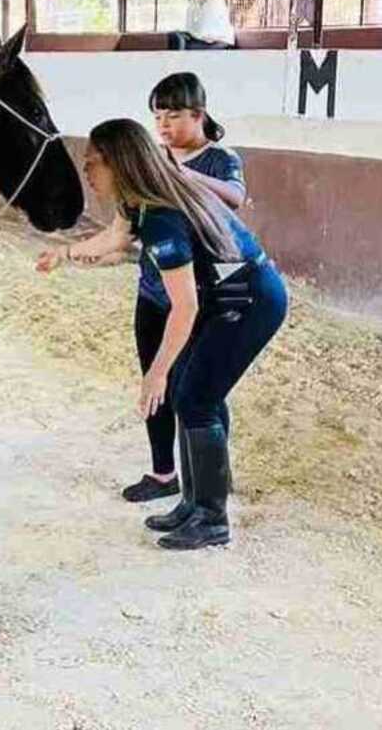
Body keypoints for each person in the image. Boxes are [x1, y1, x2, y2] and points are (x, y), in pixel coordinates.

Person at [37, 119, 287, 551]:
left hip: (249, 300)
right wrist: (64, 253)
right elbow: (115, 238)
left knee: (194, 397)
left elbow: (184, 306)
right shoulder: (143, 204)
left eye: (93, 164)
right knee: (192, 393)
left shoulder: (163, 219)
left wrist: (155, 373)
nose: (87, 173)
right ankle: (194, 502)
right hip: (227, 295)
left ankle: (211, 517)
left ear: (120, 164)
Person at [114, 73, 248, 503]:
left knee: (201, 389)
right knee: (155, 384)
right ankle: (161, 472)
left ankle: (213, 475)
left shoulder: (220, 159)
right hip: (154, 290)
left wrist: (177, 175)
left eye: (173, 116)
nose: (164, 126)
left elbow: (233, 196)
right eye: (157, 117)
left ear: (198, 115)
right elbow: (130, 220)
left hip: (199, 296)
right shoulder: (154, 158)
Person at [168, 0, 236, 50]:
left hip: (220, 41)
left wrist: (190, 35)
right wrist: (186, 34)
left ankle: (181, 62)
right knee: (174, 36)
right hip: (203, 38)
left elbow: (205, 28)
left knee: (184, 44)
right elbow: (189, 25)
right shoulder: (194, 1)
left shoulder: (214, 1)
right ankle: (178, 61)